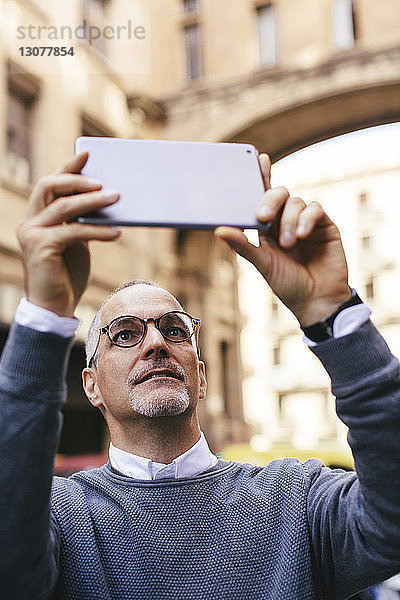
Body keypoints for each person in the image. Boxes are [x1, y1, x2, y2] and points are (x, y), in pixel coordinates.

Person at [0, 150, 399, 600]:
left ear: (201, 377)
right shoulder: (54, 515)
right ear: (90, 385)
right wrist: (44, 317)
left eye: (174, 330)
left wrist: (333, 312)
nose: (156, 344)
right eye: (125, 334)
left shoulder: (297, 502)